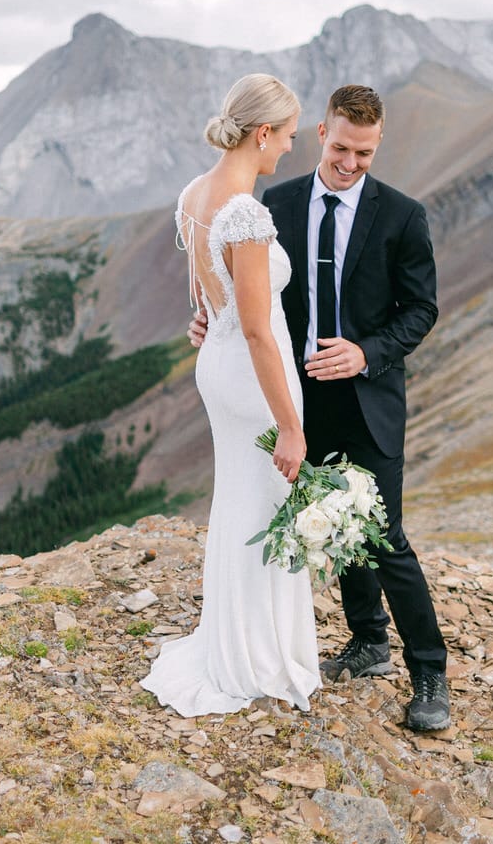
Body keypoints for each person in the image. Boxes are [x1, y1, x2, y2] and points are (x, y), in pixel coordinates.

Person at [193, 85, 450, 732]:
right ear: (319, 136)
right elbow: (247, 297)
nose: (350, 162)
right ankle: (367, 643)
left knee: (384, 534)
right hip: (296, 401)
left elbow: (420, 310)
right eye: (340, 148)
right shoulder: (271, 202)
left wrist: (366, 354)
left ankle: (429, 672)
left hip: (368, 401)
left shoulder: (403, 216)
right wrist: (210, 321)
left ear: (378, 143)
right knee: (330, 528)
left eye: (364, 152)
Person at [139, 74, 321, 716]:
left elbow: (207, 295)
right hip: (250, 373)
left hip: (216, 366)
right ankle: (255, 654)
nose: (290, 151)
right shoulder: (246, 212)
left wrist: (203, 319)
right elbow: (255, 328)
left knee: (239, 497)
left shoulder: (196, 192)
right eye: (289, 137)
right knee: (264, 500)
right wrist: (291, 426)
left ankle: (234, 640)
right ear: (263, 132)